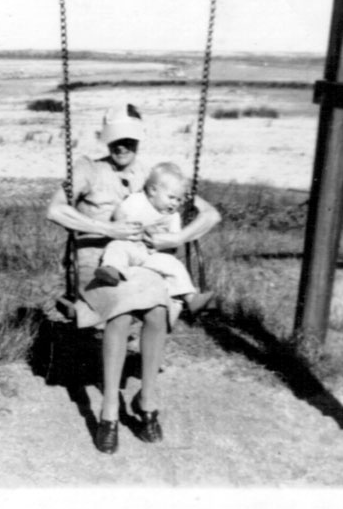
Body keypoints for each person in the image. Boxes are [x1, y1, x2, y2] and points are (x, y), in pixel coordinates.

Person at [47, 103, 220, 454]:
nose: (122, 147)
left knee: (155, 311)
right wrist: (105, 227)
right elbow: (54, 210)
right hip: (102, 269)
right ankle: (110, 409)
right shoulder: (86, 169)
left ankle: (147, 399)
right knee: (123, 313)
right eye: (116, 141)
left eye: (129, 140)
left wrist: (176, 239)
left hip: (147, 268)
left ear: (138, 140)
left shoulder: (153, 175)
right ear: (105, 140)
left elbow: (210, 214)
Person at [93, 162, 216, 316]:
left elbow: (173, 243)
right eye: (171, 197)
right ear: (152, 191)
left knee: (174, 265)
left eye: (178, 200)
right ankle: (112, 270)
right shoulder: (138, 201)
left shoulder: (173, 216)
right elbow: (119, 214)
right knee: (117, 246)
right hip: (131, 246)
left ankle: (191, 299)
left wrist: (165, 241)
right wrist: (132, 227)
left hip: (153, 256)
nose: (174, 203)